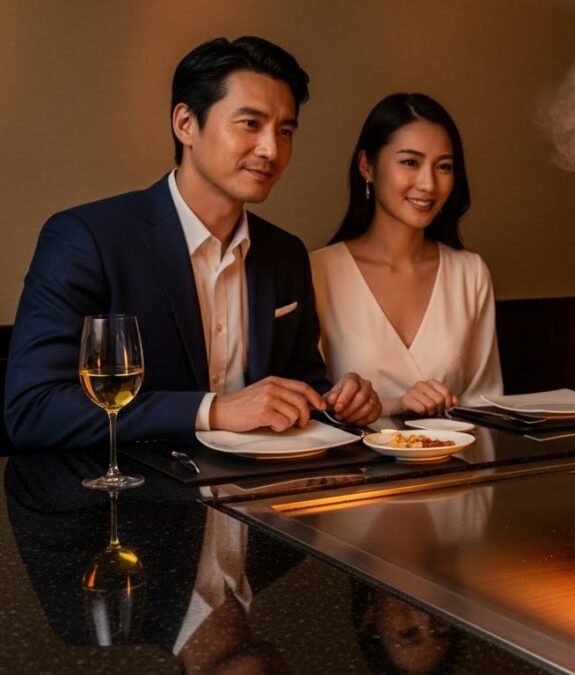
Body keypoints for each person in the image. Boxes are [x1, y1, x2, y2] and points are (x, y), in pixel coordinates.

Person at [4, 36, 381, 451]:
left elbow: (301, 387)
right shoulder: (86, 238)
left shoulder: (285, 253)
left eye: (285, 130)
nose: (271, 149)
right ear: (185, 123)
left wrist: (337, 402)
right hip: (130, 500)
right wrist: (213, 410)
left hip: (257, 499)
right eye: (250, 124)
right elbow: (34, 410)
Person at [311, 93, 502, 417]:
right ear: (366, 166)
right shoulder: (317, 271)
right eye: (410, 162)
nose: (428, 184)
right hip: (350, 466)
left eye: (443, 167)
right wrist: (396, 405)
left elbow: (484, 406)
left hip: (455, 464)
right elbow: (313, 407)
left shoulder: (469, 273)